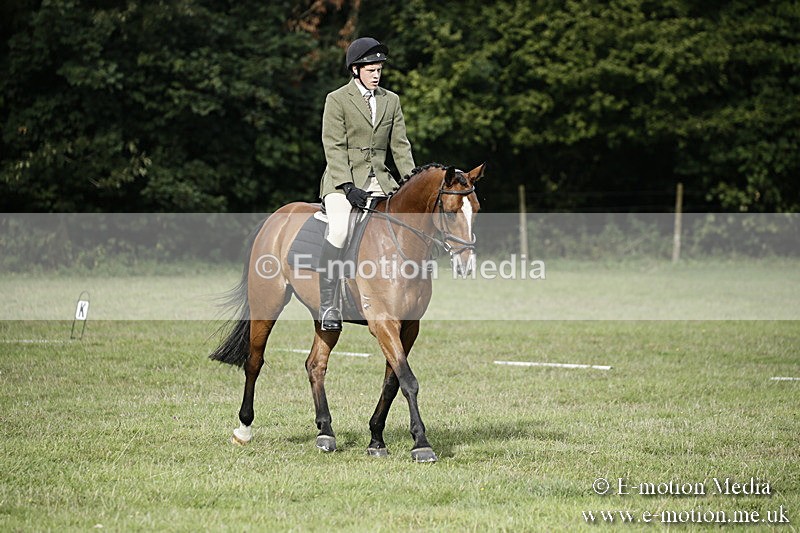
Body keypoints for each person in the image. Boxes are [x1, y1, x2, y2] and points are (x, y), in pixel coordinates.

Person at [317, 37, 416, 331]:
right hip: (342, 183)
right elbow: (333, 146)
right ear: (356, 70)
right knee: (339, 229)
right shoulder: (336, 100)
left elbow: (400, 147)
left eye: (379, 70)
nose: (376, 75)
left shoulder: (391, 101)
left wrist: (410, 183)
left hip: (381, 183)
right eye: (371, 69)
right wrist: (348, 187)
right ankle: (328, 304)